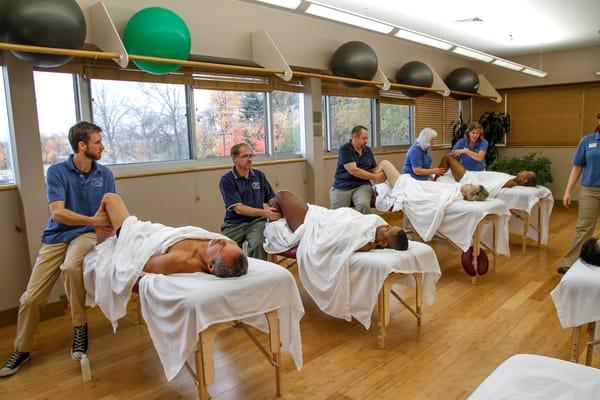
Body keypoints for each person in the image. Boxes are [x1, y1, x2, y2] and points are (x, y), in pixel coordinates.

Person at [0, 122, 116, 378]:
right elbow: (58, 213)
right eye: (97, 142)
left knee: (71, 267)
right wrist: (94, 220)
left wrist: (107, 231)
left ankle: (80, 328)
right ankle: (22, 349)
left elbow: (110, 208)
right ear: (82, 145)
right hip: (57, 235)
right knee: (30, 299)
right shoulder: (56, 172)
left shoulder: (104, 174)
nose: (102, 146)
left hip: (86, 235)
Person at [93, 193, 248, 277]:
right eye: (228, 243)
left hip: (138, 240)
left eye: (222, 248)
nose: (223, 241)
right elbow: (230, 245)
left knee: (110, 198)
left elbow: (141, 263)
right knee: (111, 206)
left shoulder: (180, 260)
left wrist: (128, 239)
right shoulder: (225, 245)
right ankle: (106, 229)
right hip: (162, 231)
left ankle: (103, 234)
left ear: (210, 266)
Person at [272, 190, 408, 251]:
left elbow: (342, 241)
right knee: (279, 199)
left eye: (388, 230)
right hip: (326, 215)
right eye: (390, 226)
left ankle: (273, 216)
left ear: (383, 243)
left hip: (315, 225)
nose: (386, 225)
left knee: (282, 196)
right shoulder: (377, 223)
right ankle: (276, 215)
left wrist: (370, 246)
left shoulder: (366, 242)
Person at [219, 143, 280, 260]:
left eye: (251, 156)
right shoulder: (226, 180)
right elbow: (239, 209)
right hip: (233, 224)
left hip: (257, 222)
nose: (250, 159)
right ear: (234, 158)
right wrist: (265, 213)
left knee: (258, 244)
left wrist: (280, 204)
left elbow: (270, 198)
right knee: (223, 252)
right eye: (245, 156)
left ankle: (258, 275)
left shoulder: (259, 176)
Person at [558, 113, 600, 274]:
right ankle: (570, 263)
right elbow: (577, 167)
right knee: (583, 227)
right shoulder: (587, 141)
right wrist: (568, 191)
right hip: (590, 190)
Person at [330, 125, 385, 214]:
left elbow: (373, 168)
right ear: (355, 137)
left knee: (363, 205)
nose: (366, 141)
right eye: (364, 138)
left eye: (367, 138)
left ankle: (365, 227)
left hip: (362, 185)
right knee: (337, 214)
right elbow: (353, 170)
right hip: (343, 185)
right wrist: (375, 177)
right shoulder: (345, 149)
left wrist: (381, 178)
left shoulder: (368, 150)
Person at [379, 160, 489, 202]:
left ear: (469, 194)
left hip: (408, 187)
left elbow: (434, 197)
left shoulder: (452, 194)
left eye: (472, 186)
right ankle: (377, 187)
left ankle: (376, 188)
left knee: (384, 163)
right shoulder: (455, 189)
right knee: (384, 171)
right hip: (414, 184)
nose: (470, 183)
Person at [436, 155, 537, 188]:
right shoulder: (513, 178)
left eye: (525, 172)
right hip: (471, 174)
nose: (523, 170)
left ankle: (434, 180)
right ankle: (437, 176)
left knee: (447, 158)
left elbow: (491, 186)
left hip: (468, 178)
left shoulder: (512, 183)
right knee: (454, 158)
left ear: (524, 180)